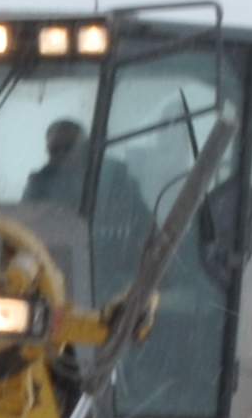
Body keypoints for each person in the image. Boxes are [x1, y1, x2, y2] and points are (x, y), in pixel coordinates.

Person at [18, 119, 154, 297]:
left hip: (115, 272)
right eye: (54, 150)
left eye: (67, 147)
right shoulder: (39, 185)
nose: (60, 154)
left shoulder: (117, 179)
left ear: (84, 146)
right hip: (59, 273)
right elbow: (23, 228)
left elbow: (147, 227)